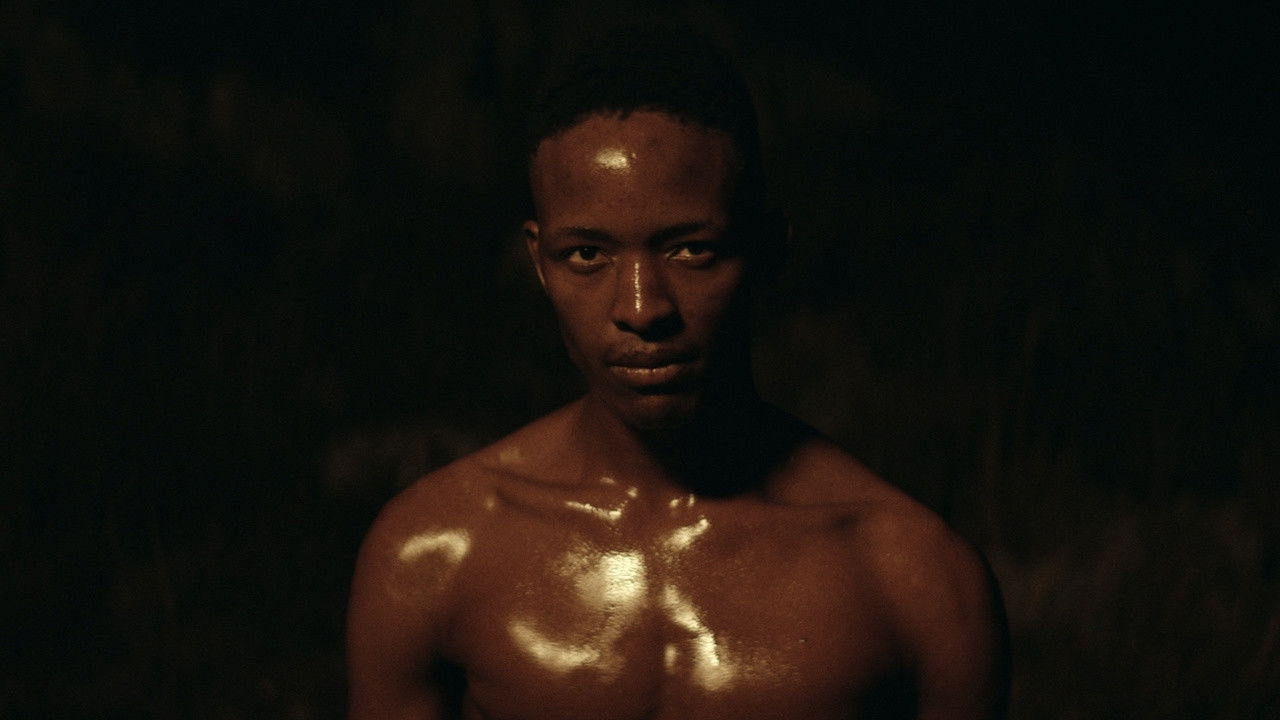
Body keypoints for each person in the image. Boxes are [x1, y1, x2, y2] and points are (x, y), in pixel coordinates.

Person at [347, 23, 1008, 720]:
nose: (641, 309)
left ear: (766, 250)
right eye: (587, 256)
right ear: (539, 262)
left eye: (691, 251)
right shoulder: (433, 553)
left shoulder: (918, 584)